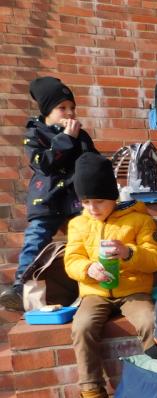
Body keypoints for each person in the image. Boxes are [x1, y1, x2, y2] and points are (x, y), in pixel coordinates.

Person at [65, 153, 157, 398]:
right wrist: (88, 268)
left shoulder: (139, 220)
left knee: (150, 321)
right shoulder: (78, 224)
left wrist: (128, 252)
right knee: (82, 326)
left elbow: (155, 259)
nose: (92, 208)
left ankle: (156, 387)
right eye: (85, 202)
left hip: (133, 290)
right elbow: (71, 260)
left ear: (112, 196)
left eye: (98, 201)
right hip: (95, 292)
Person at [1, 77, 98, 312]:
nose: (70, 113)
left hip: (75, 199)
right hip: (46, 198)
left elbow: (91, 161)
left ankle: (91, 284)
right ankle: (21, 287)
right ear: (47, 111)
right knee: (36, 237)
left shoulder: (81, 135)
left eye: (72, 107)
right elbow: (42, 163)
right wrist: (66, 139)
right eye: (62, 108)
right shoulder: (35, 134)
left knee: (87, 236)